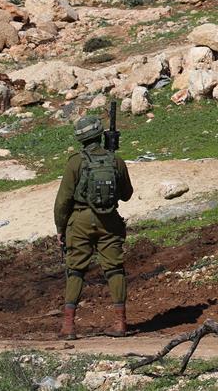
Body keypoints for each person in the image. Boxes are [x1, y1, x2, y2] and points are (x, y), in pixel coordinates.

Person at [54, 116, 134, 340]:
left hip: (80, 221)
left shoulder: (75, 162)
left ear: (81, 138)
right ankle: (120, 323)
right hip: (109, 221)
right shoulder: (115, 160)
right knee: (114, 269)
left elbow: (63, 201)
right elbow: (127, 195)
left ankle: (69, 326)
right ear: (100, 134)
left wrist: (61, 227)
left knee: (76, 270)